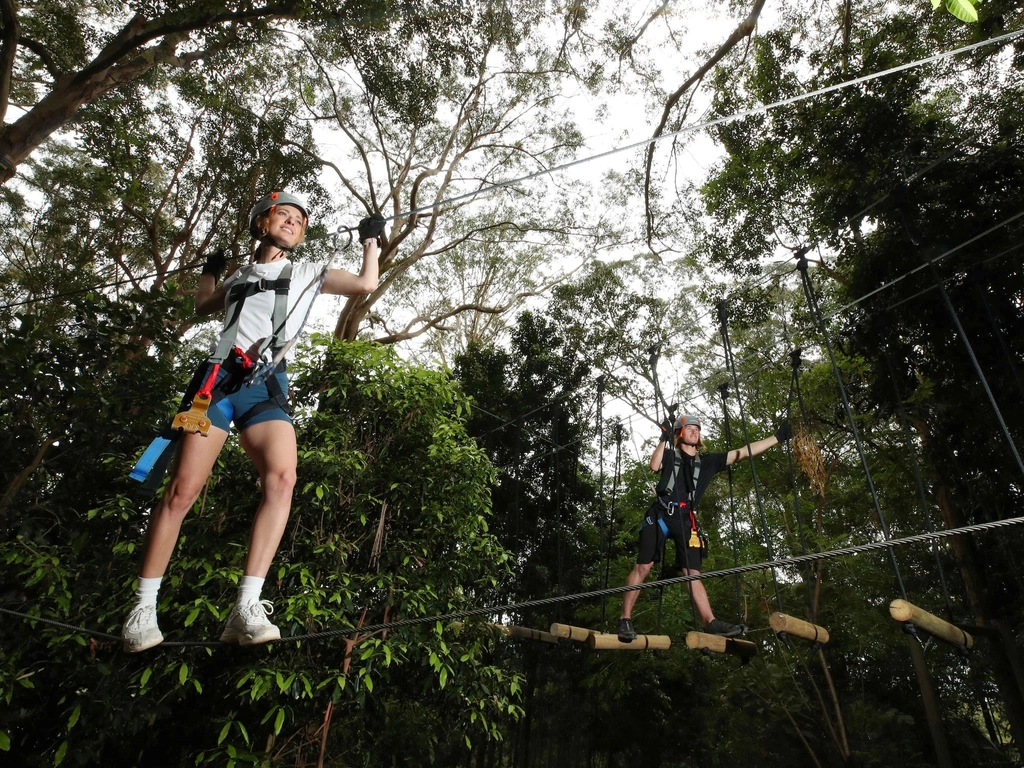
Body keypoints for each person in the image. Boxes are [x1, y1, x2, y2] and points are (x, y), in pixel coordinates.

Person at [122, 191, 384, 652]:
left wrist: (371, 243)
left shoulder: (305, 272)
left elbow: (365, 284)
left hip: (265, 385)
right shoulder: (240, 277)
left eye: (300, 219)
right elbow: (203, 305)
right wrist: (210, 270)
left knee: (283, 478)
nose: (293, 221)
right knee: (182, 491)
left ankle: (246, 606)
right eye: (284, 214)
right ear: (262, 223)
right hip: (216, 386)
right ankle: (142, 610)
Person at [617, 413, 791, 642]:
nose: (694, 431)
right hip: (660, 514)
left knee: (693, 574)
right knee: (644, 567)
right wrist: (664, 437)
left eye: (697, 428)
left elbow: (744, 451)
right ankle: (625, 619)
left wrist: (777, 438)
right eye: (688, 428)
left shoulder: (708, 461)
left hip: (685, 519)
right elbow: (654, 465)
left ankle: (710, 622)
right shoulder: (670, 454)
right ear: (680, 433)